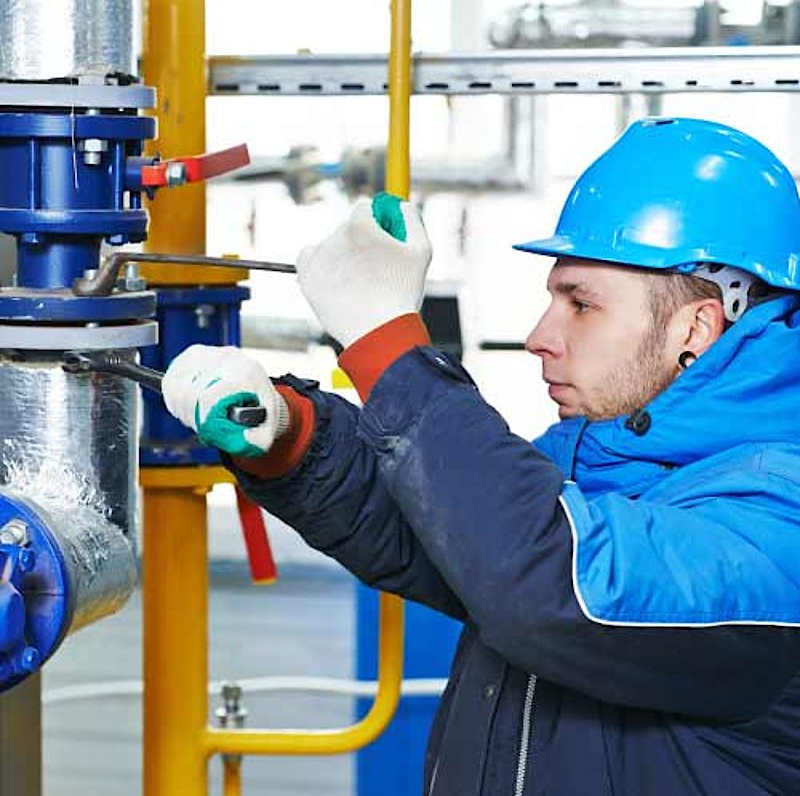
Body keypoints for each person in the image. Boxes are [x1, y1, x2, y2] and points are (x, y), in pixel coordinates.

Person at [163, 117, 800, 795]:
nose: (539, 336)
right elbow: (440, 527)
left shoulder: (780, 508)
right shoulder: (607, 466)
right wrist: (292, 434)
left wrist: (389, 349)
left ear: (695, 327)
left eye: (581, 304)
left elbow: (556, 584)